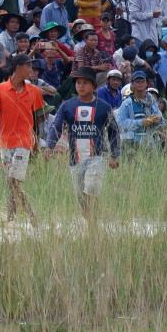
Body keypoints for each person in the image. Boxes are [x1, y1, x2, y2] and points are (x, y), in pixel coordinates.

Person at [40, 67, 121, 232]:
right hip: (74, 158)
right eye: (78, 82)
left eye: (85, 83)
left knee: (91, 191)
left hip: (97, 157)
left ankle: (94, 225)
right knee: (80, 196)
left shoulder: (103, 107)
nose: (80, 86)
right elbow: (56, 127)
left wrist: (115, 155)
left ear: (93, 85)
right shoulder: (67, 106)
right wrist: (49, 146)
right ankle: (88, 223)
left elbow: (114, 132)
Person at [0, 57, 47, 227]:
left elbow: (35, 118)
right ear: (18, 68)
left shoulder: (33, 91)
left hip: (24, 141)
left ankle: (30, 215)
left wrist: (36, 139)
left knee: (14, 180)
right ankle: (11, 219)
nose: (31, 70)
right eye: (28, 67)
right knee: (11, 182)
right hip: (5, 141)